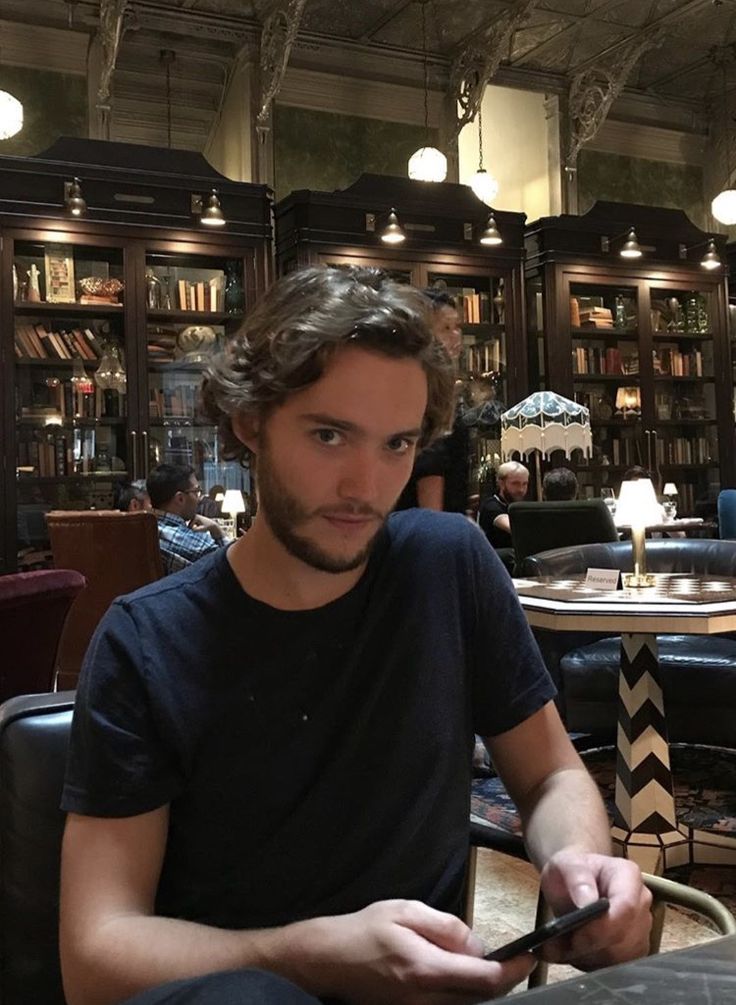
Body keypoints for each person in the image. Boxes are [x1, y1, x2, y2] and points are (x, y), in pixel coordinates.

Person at [59, 266, 651, 1005]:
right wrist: (305, 956)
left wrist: (580, 861)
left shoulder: (448, 567)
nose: (365, 485)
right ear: (250, 421)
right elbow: (94, 953)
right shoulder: (145, 642)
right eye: (330, 435)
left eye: (397, 444)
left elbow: (550, 775)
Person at [395, 288, 469, 513]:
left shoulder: (443, 385)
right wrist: (435, 530)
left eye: (457, 327)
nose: (456, 335)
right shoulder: (424, 387)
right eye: (446, 328)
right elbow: (430, 464)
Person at [146, 463, 229, 574]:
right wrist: (217, 530)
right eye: (196, 492)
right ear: (180, 498)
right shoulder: (199, 544)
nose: (199, 499)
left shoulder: (143, 532)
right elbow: (235, 569)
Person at [478, 460, 530, 571]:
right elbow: (512, 527)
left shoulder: (522, 505)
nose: (521, 489)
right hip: (494, 566)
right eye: (515, 484)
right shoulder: (491, 505)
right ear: (501, 483)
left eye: (524, 484)